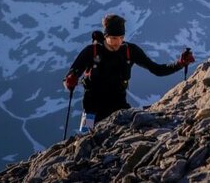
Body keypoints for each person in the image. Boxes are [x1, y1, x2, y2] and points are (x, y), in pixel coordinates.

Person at [62, 14, 192, 124]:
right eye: (114, 38)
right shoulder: (92, 51)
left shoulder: (130, 51)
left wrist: (180, 63)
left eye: (121, 38)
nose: (118, 42)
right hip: (91, 110)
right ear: (105, 36)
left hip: (119, 107)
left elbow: (157, 69)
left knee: (122, 139)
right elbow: (71, 75)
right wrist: (70, 81)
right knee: (85, 141)